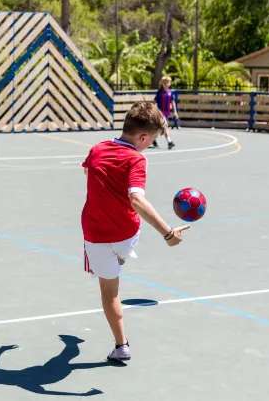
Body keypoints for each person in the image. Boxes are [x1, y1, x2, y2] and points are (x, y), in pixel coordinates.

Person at [81, 101, 190, 363]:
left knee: (110, 293)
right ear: (142, 137)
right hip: (128, 234)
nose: (148, 145)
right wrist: (168, 233)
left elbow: (86, 170)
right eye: (150, 140)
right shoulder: (136, 159)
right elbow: (137, 199)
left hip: (96, 234)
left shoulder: (97, 150)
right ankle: (120, 255)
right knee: (122, 248)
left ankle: (122, 346)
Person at [153, 76, 178, 149]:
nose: (166, 84)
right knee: (165, 126)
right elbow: (155, 101)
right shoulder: (159, 92)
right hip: (160, 113)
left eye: (167, 82)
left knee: (159, 128)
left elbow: (172, 102)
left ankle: (153, 139)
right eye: (164, 82)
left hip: (167, 113)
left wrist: (175, 112)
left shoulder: (170, 93)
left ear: (169, 83)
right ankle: (169, 142)